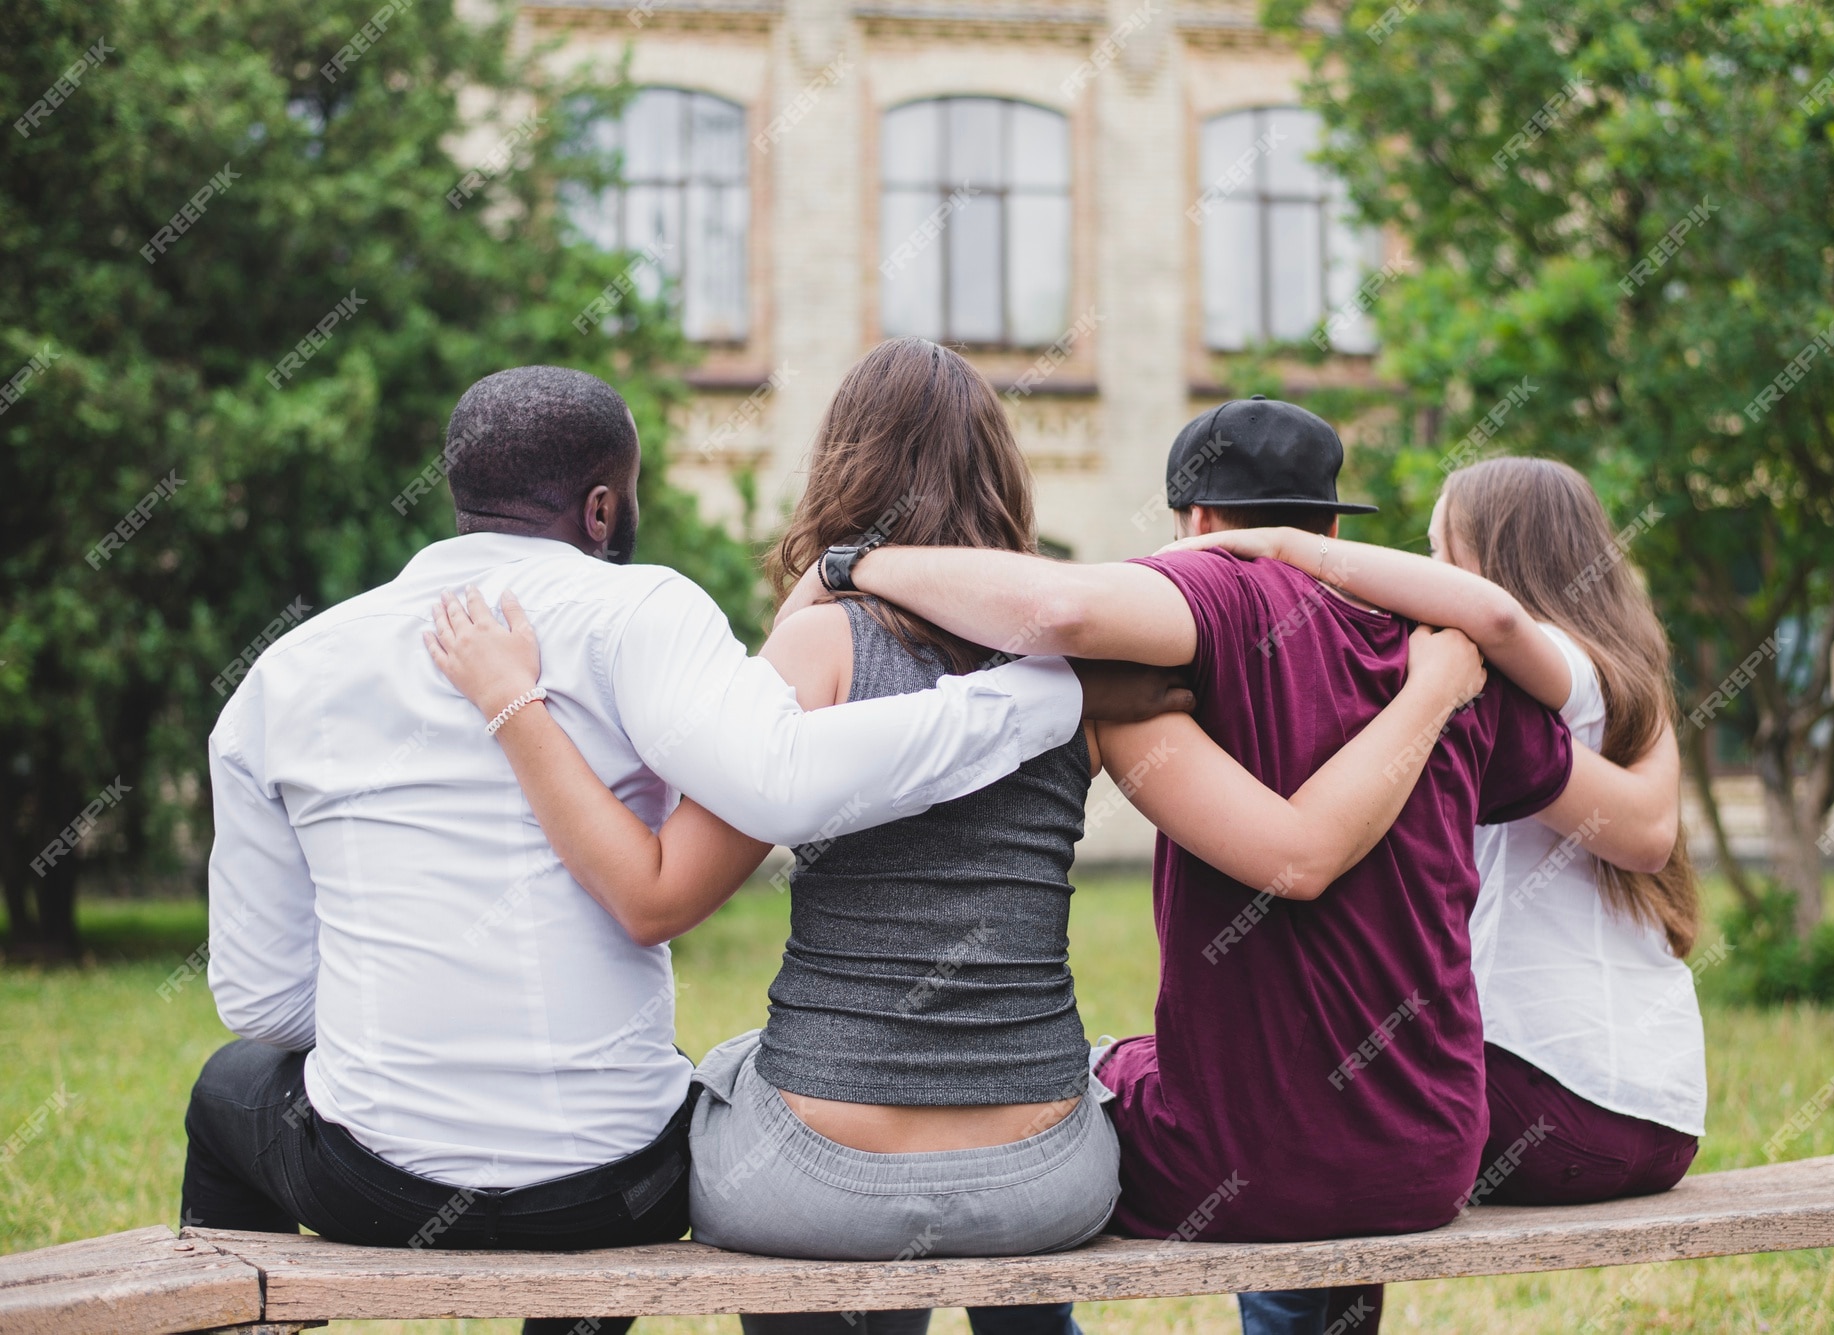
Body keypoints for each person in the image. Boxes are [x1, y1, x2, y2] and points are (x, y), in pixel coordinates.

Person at [423, 342, 1490, 1335]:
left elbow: (670, 877)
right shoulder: (1094, 679)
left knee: (720, 1080)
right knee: (1058, 1097)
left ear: (839, 472)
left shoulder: (814, 647)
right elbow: (1286, 851)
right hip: (1041, 1181)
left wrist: (532, 707)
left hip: (812, 1184)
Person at [182, 365, 1181, 1335]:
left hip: (378, 1183)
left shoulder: (287, 672)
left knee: (232, 1085)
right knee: (678, 1100)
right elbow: (777, 778)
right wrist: (1045, 694)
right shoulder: (646, 614)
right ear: (604, 507)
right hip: (647, 1186)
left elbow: (266, 1003)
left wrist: (404, 992)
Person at [772, 396, 1679, 1335]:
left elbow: (1066, 609)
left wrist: (853, 565)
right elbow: (1626, 813)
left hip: (1245, 1162)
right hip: (1431, 1154)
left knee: (1029, 1114)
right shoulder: (1448, 657)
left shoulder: (1213, 601)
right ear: (1331, 524)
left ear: (1195, 525)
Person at [1174, 455, 1702, 1332]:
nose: (1425, 580)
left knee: (1324, 1106)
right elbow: (1648, 830)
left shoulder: (1547, 669)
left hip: (1553, 1103)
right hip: (1662, 1116)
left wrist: (1276, 545)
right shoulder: (1628, 681)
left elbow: (1491, 614)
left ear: (1494, 558)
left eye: (1436, 553)